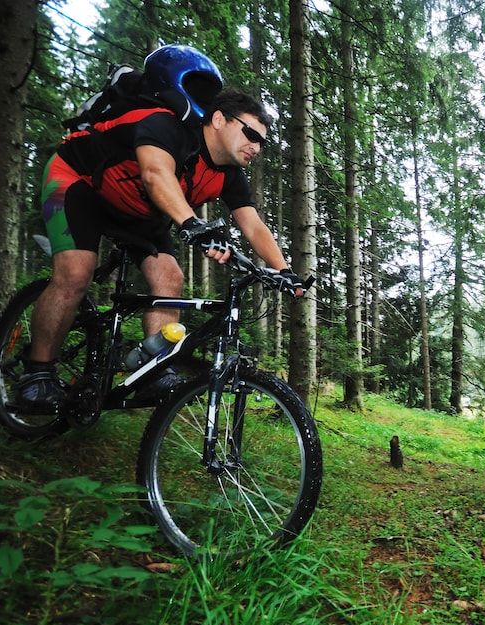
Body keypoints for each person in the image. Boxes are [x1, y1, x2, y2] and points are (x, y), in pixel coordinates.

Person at [15, 44, 302, 412]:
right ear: (218, 119)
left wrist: (284, 271)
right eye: (251, 134)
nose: (256, 147)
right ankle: (36, 374)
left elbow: (253, 224)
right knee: (75, 274)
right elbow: (155, 174)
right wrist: (193, 224)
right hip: (80, 184)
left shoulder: (229, 173)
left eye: (262, 141)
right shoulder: (166, 125)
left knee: (169, 277)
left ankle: (152, 372)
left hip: (138, 211)